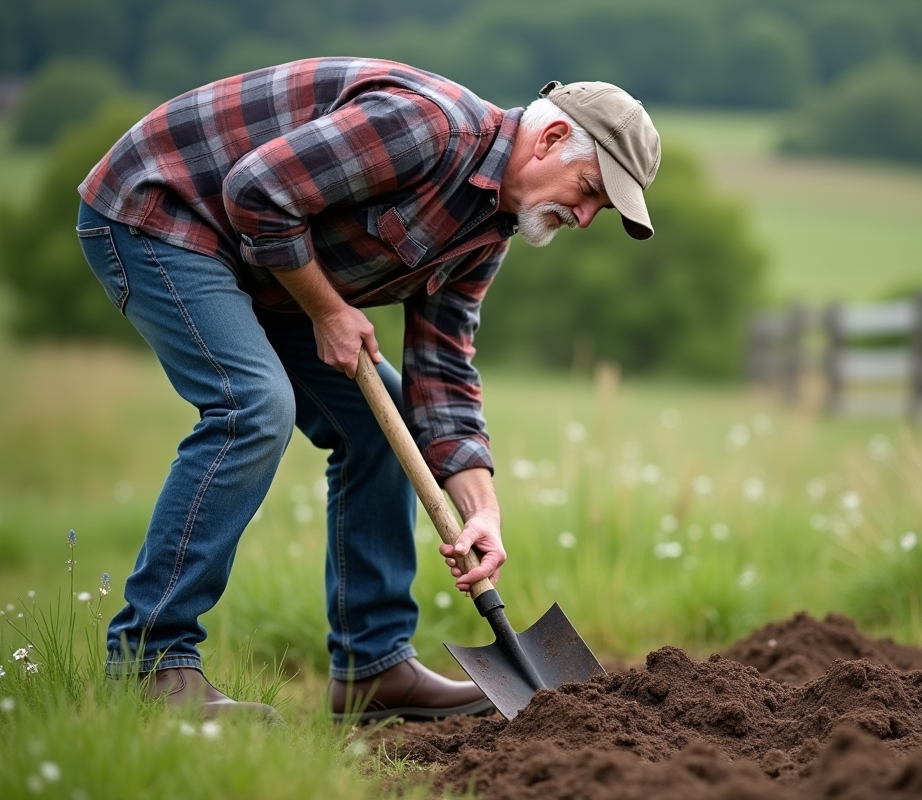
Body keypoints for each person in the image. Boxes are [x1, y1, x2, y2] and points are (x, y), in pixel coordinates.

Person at [76, 58, 660, 721]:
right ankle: (150, 666)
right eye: (588, 191)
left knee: (387, 431)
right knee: (255, 405)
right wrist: (327, 309)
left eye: (599, 210)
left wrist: (482, 510)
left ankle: (372, 671)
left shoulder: (487, 229)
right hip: (164, 212)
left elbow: (442, 368)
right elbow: (257, 192)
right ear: (552, 139)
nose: (585, 218)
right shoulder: (429, 128)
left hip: (264, 265)